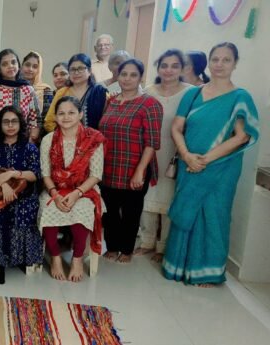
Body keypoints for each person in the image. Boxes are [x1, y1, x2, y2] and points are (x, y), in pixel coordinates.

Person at [164, 42, 259, 287]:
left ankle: (207, 273)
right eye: (215, 59)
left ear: (235, 64)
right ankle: (178, 266)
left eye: (226, 60)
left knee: (214, 216)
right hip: (189, 163)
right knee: (186, 212)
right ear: (209, 62)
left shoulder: (240, 97)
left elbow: (242, 136)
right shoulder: (193, 93)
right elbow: (177, 127)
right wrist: (187, 156)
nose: (219, 65)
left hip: (221, 169)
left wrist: (205, 159)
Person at [99, 59, 162, 264]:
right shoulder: (112, 101)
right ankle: (112, 246)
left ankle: (126, 250)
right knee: (109, 211)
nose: (127, 79)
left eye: (133, 75)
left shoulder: (150, 104)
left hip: (134, 166)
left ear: (140, 77)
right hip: (109, 165)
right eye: (123, 74)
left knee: (131, 212)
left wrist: (140, 171)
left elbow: (152, 142)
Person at [136, 50, 194, 262]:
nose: (169, 70)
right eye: (164, 65)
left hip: (176, 151)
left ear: (182, 68)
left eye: (174, 65)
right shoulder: (147, 92)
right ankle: (146, 242)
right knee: (147, 196)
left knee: (170, 198)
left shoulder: (191, 93)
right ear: (158, 67)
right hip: (149, 150)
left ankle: (164, 246)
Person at [39, 96, 105, 282]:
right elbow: (45, 174)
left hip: (84, 189)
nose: (66, 117)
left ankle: (77, 259)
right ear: (56, 116)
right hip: (55, 188)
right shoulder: (48, 140)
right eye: (61, 113)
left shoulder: (93, 139)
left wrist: (77, 194)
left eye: (71, 112)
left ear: (80, 114)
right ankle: (56, 258)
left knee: (81, 209)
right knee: (48, 207)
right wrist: (55, 194)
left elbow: (96, 175)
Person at [0, 106, 40, 284]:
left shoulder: (29, 147)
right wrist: (3, 185)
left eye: (14, 121)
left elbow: (34, 174)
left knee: (24, 209)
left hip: (23, 195)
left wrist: (12, 174)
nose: (10, 125)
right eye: (5, 122)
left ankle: (19, 257)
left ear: (21, 124)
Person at [0, 49, 40, 142]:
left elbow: (35, 121)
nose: (10, 66)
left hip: (21, 145)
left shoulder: (28, 90)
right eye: (5, 64)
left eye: (13, 62)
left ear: (19, 65)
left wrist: (30, 141)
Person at [44, 54, 108, 131]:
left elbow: (107, 123)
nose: (76, 73)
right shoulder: (62, 93)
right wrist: (64, 136)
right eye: (72, 69)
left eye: (80, 68)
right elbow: (49, 122)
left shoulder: (100, 93)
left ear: (90, 71)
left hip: (93, 141)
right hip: (65, 141)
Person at [21, 51, 54, 132]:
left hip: (38, 135)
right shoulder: (14, 88)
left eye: (35, 66)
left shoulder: (46, 90)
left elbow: (47, 118)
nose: (30, 69)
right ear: (22, 66)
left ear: (39, 70)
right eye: (27, 65)